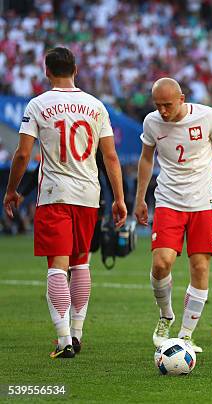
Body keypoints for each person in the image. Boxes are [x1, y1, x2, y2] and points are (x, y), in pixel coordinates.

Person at [2, 47, 127, 358]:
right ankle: (78, 333)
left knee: (57, 266)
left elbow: (22, 154)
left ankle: (62, 341)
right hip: (89, 196)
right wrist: (119, 198)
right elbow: (110, 156)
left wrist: (11, 190)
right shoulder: (96, 106)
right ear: (76, 69)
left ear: (47, 71)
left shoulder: (38, 104)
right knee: (81, 261)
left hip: (55, 194)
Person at [134, 77, 212, 354]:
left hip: (203, 201)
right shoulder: (151, 123)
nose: (162, 110)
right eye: (158, 105)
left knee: (200, 267)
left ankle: (185, 335)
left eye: (168, 105)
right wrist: (139, 199)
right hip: (168, 200)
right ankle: (166, 316)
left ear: (181, 99)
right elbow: (146, 158)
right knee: (161, 264)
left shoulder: (207, 116)